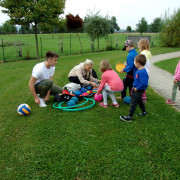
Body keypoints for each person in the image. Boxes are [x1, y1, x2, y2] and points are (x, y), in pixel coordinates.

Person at [120, 54, 149, 122]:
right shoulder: (139, 70)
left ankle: (129, 116)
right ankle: (144, 112)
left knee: (133, 103)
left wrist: (137, 88)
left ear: (138, 63)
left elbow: (144, 83)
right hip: (137, 88)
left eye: (135, 62)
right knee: (140, 101)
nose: (134, 63)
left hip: (138, 90)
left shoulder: (142, 72)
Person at [138, 39, 152, 103]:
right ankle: (143, 98)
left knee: (141, 85)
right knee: (143, 84)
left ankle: (142, 99)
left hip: (143, 71)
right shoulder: (147, 52)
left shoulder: (143, 53)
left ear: (141, 45)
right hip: (147, 71)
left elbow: (141, 61)